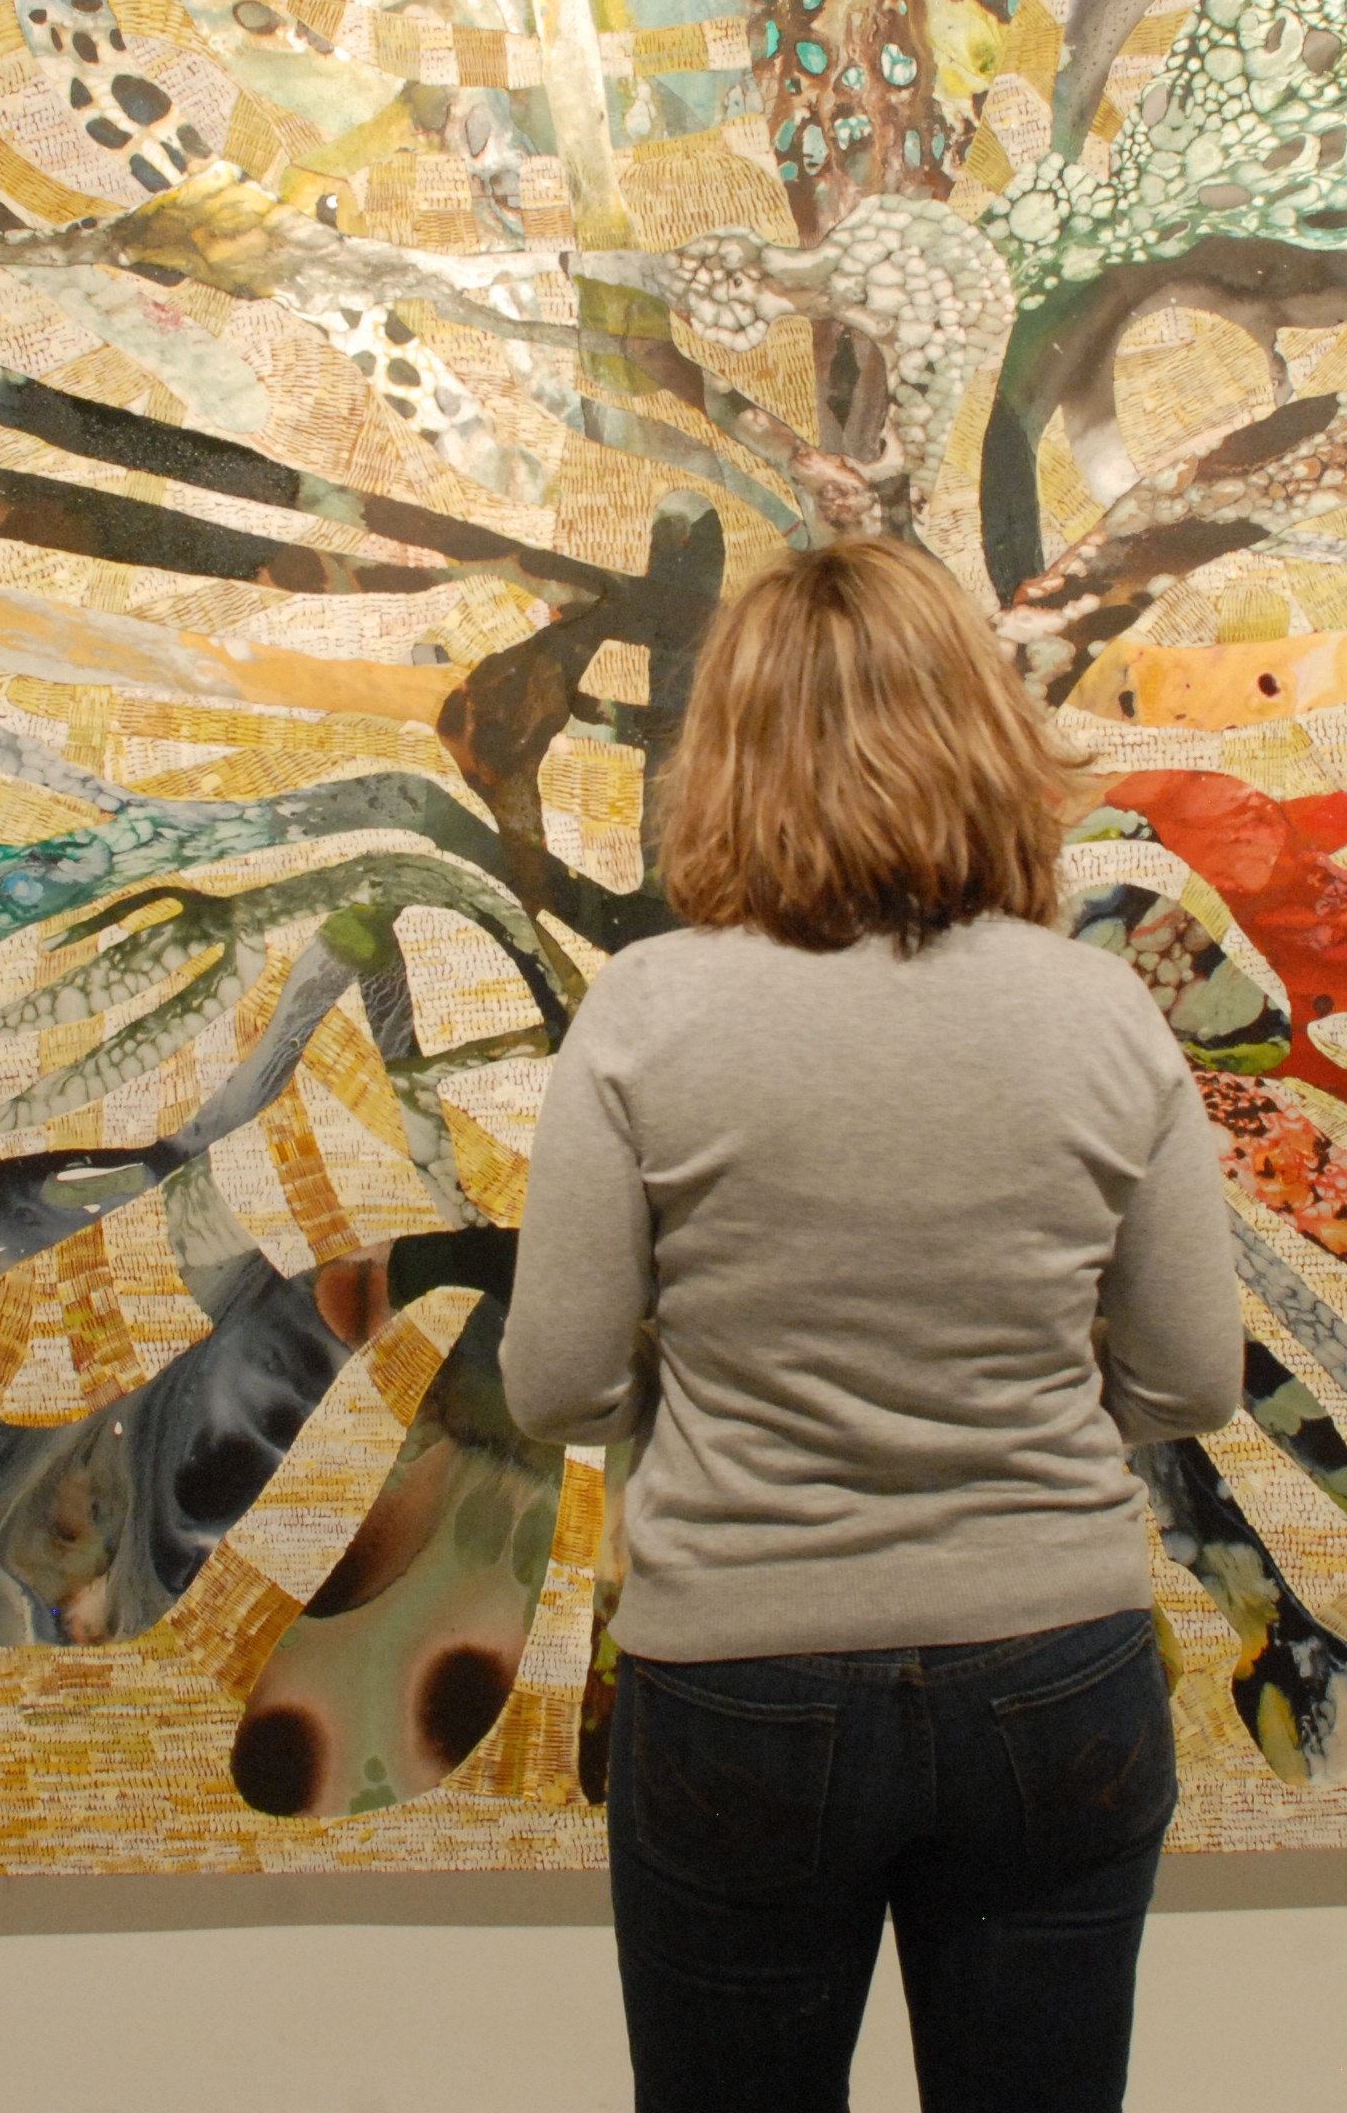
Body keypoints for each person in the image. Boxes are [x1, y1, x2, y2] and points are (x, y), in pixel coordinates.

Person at [505, 536, 1243, 2113]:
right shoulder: (1101, 1010)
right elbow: (1193, 1376)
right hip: (1056, 1671)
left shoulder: (648, 1009)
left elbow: (555, 1381)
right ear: (982, 731)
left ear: (728, 753)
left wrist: (721, 1405)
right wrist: (1017, 1419)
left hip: (739, 1676)